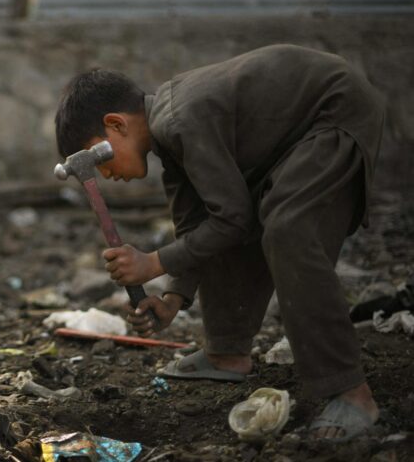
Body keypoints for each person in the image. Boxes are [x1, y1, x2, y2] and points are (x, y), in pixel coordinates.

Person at [54, 44, 384, 442]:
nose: (104, 173)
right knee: (226, 223)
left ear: (117, 125)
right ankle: (227, 352)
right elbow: (198, 228)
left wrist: (153, 263)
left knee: (287, 227)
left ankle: (352, 391)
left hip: (334, 112)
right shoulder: (171, 147)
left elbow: (232, 219)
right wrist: (173, 298)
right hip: (290, 143)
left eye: (99, 158)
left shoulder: (182, 120)